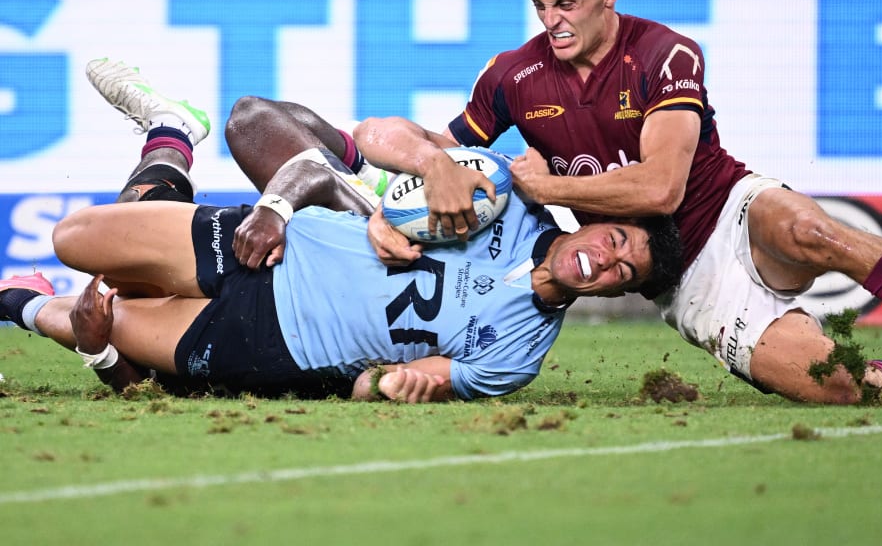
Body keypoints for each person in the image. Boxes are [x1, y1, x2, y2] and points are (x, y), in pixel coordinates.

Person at [340, 0, 882, 405]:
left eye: (567, 2)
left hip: (728, 207)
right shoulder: (512, 76)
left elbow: (663, 185)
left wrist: (544, 184)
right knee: (841, 388)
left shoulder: (663, 53)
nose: (551, 20)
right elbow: (420, 140)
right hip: (676, 275)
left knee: (816, 233)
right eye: (540, 4)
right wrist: (406, 159)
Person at [0, 59, 683, 403]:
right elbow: (373, 141)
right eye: (617, 242)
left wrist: (399, 384)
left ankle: (20, 302)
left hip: (280, 344)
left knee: (109, 327)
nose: (608, 263)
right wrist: (397, 188)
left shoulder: (520, 354)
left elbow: (411, 381)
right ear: (598, 225)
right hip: (278, 242)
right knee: (73, 239)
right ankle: (174, 134)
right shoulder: (498, 196)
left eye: (627, 274)